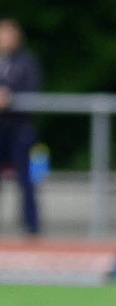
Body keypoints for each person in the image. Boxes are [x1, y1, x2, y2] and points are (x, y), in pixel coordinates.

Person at [0, 17, 42, 235]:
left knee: (26, 179)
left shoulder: (27, 62)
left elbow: (33, 89)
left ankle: (32, 227)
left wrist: (10, 97)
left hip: (20, 127)